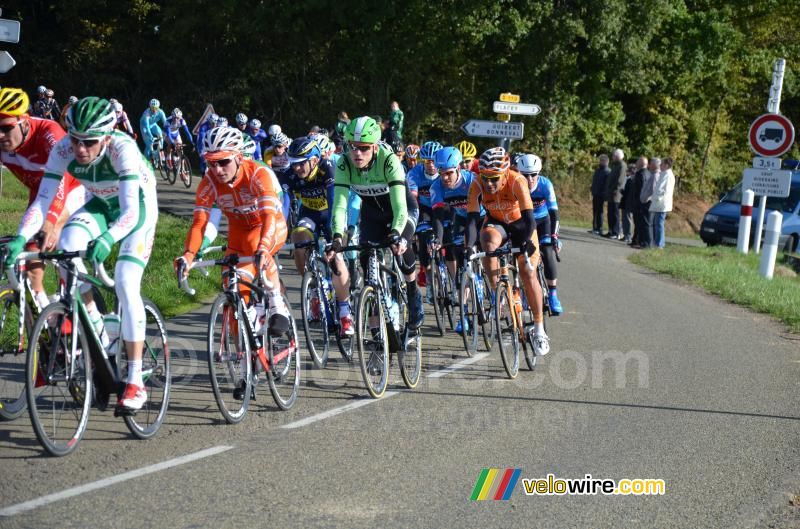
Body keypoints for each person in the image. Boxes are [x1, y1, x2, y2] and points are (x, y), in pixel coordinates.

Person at [8, 97, 159, 411]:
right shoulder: (62, 149)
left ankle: (135, 381)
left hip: (137, 211)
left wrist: (107, 238)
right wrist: (22, 237)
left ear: (106, 137)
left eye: (89, 142)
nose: (80, 149)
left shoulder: (123, 149)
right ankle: (101, 335)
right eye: (75, 140)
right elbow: (43, 201)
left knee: (125, 281)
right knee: (67, 250)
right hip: (101, 205)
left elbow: (131, 212)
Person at [326, 116, 423, 335]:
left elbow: (400, 208)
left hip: (401, 211)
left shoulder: (389, 161)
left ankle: (412, 292)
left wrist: (398, 235)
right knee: (365, 260)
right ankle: (376, 334)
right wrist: (337, 238)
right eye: (352, 147)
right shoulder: (344, 163)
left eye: (363, 148)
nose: (357, 153)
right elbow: (339, 207)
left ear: (375, 147)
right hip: (372, 215)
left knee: (402, 250)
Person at [0, 87, 84, 309]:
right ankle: (48, 329)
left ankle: (79, 309)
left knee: (53, 239)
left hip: (73, 189)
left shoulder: (50, 134)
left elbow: (62, 185)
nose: (0, 135)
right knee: (32, 269)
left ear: (25, 122)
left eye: (6, 128)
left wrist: (53, 223)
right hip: (41, 194)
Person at [465, 147, 549, 355]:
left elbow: (530, 218)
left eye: (494, 179)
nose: (489, 184)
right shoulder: (476, 183)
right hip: (497, 222)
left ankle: (539, 329)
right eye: (486, 178)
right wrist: (468, 247)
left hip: (522, 224)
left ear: (504, 173)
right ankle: (499, 293)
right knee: (487, 242)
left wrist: (527, 243)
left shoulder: (517, 180)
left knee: (527, 271)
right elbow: (472, 222)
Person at [429, 146, 485, 333]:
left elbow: (473, 218)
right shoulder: (436, 186)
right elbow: (437, 216)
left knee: (481, 247)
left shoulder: (472, 181)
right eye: (442, 173)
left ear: (459, 169)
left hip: (482, 217)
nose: (445, 178)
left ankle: (494, 290)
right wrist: (437, 239)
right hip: (462, 218)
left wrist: (471, 244)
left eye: (450, 173)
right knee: (463, 264)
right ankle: (464, 313)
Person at [517, 153, 563, 315]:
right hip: (524, 223)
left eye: (533, 175)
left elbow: (554, 213)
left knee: (548, 252)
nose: (529, 179)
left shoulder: (545, 185)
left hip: (543, 221)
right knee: (524, 257)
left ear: (539, 174)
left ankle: (552, 294)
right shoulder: (515, 184)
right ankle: (525, 291)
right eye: (525, 175)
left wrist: (554, 236)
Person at [406, 141, 442, 299]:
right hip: (424, 209)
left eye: (434, 160)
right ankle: (428, 276)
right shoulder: (414, 173)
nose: (431, 165)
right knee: (423, 239)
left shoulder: (445, 172)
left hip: (443, 207)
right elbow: (412, 198)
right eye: (427, 161)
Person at [650, 157, 675, 249]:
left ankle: (659, 244)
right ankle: (657, 242)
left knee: (659, 223)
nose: (660, 165)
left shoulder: (667, 175)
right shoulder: (664, 174)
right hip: (659, 203)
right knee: (657, 223)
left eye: (662, 164)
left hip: (661, 204)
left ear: (666, 165)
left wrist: (656, 199)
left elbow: (663, 190)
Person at [165, 108, 195, 179]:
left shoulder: (182, 121)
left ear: (180, 117)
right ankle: (168, 158)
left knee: (181, 152)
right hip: (167, 134)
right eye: (174, 118)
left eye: (177, 118)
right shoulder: (168, 121)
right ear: (172, 117)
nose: (175, 119)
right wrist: (172, 143)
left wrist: (191, 142)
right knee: (170, 143)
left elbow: (187, 132)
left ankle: (182, 172)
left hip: (176, 133)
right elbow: (168, 134)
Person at [637, 157, 660, 248]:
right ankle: (645, 242)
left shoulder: (655, 176)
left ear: (654, 165)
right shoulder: (653, 174)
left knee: (648, 223)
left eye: (651, 163)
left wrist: (645, 198)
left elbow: (653, 190)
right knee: (646, 223)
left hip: (648, 203)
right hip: (647, 202)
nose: (649, 165)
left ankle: (648, 243)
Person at [604, 149, 625, 239]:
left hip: (616, 194)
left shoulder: (622, 165)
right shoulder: (615, 165)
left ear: (617, 156)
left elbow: (619, 181)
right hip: (611, 194)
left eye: (613, 156)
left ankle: (616, 232)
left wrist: (614, 190)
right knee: (610, 213)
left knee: (615, 214)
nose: (612, 157)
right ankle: (611, 230)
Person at [140, 98, 167, 162]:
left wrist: (166, 132)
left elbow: (166, 123)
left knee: (160, 135)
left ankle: (160, 152)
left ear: (158, 108)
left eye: (156, 108)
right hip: (144, 126)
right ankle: (145, 161)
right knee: (149, 144)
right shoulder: (146, 113)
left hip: (153, 124)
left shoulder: (161, 112)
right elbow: (147, 127)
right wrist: (150, 135)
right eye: (152, 108)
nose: (154, 110)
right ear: (150, 108)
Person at [630, 156, 648, 247]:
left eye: (637, 162)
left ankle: (637, 240)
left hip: (639, 203)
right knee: (637, 222)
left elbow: (640, 190)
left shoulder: (641, 174)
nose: (636, 163)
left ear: (641, 164)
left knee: (638, 222)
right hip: (639, 202)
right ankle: (636, 239)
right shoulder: (645, 173)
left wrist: (638, 201)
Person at [590, 154, 609, 234]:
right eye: (600, 160)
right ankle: (595, 228)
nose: (600, 162)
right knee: (595, 211)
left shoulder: (607, 171)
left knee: (600, 211)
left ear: (606, 161)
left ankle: (599, 228)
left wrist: (604, 193)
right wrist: (592, 188)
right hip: (595, 193)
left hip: (601, 194)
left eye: (602, 160)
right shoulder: (598, 171)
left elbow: (606, 184)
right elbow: (595, 181)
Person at [620, 163, 637, 244]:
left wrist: (623, 191)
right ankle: (625, 234)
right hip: (625, 201)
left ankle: (628, 236)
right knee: (624, 219)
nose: (627, 172)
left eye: (629, 171)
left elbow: (629, 192)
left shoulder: (633, 180)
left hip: (629, 202)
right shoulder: (628, 179)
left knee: (628, 219)